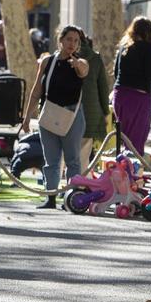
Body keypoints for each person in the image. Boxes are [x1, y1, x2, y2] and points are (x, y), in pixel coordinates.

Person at [21, 25, 90, 209]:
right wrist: (27, 117)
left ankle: (72, 198)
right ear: (60, 40)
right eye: (69, 39)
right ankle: (50, 197)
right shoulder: (47, 62)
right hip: (49, 114)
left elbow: (84, 70)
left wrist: (78, 65)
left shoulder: (80, 62)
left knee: (72, 159)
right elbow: (36, 91)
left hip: (72, 116)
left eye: (76, 41)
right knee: (51, 159)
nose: (72, 44)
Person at [112, 16, 151, 155]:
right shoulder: (147, 47)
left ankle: (121, 171)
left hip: (119, 96)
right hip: (138, 98)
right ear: (148, 31)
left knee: (123, 138)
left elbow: (116, 72)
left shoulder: (123, 47)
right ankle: (132, 173)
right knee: (137, 139)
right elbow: (150, 72)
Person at [77, 33, 111, 169]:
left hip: (65, 111)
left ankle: (58, 186)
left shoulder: (61, 56)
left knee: (62, 151)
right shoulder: (95, 58)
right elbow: (103, 87)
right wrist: (105, 111)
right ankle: (80, 184)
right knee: (84, 152)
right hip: (90, 111)